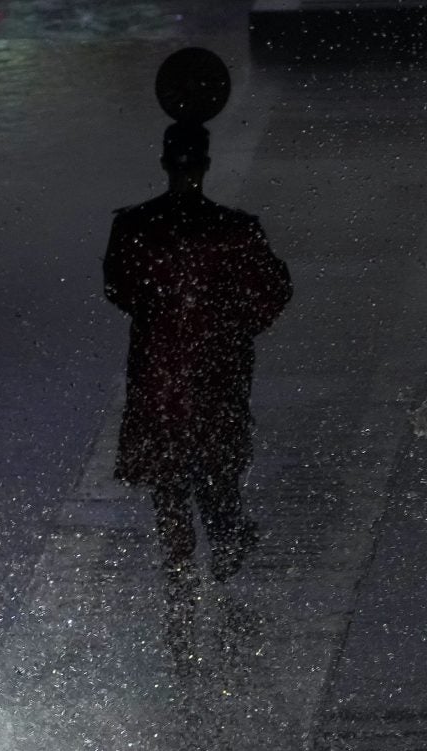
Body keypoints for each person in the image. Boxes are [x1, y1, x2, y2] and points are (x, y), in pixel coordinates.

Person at [105, 120, 293, 672]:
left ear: (165, 162)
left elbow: (120, 288)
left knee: (168, 478)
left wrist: (164, 319)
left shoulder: (135, 227)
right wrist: (231, 327)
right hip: (217, 368)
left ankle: (180, 572)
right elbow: (273, 291)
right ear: (206, 164)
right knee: (218, 462)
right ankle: (225, 541)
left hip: (160, 370)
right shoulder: (236, 230)